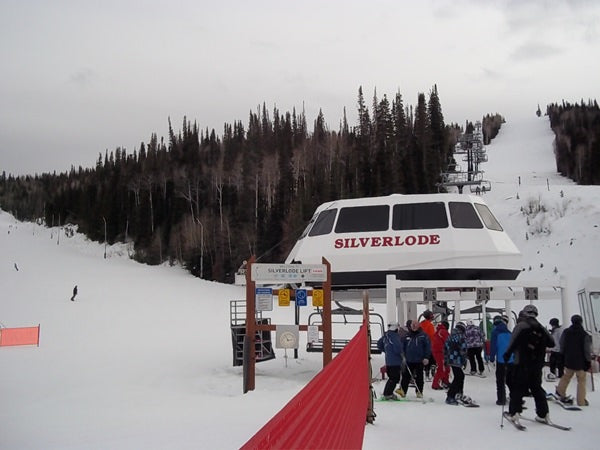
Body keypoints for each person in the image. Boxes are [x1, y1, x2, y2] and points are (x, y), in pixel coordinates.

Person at [503, 304, 554, 425]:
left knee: (518, 388)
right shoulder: (541, 328)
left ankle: (514, 413)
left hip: (521, 363)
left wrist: (507, 355)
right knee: (537, 388)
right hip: (537, 365)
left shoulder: (521, 326)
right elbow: (552, 343)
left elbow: (512, 342)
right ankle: (543, 413)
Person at [555, 314, 592, 406]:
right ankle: (581, 401)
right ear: (581, 322)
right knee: (581, 381)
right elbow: (587, 350)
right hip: (581, 362)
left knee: (566, 376)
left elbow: (561, 344)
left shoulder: (566, 332)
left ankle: (560, 392)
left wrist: (561, 356)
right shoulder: (584, 334)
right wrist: (588, 361)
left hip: (569, 360)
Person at [396, 320, 431, 399]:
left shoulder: (423, 336)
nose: (414, 326)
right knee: (406, 376)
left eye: (415, 324)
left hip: (419, 360)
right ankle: (403, 391)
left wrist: (426, 357)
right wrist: (402, 355)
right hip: (409, 360)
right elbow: (402, 346)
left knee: (419, 377)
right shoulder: (407, 336)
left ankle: (419, 391)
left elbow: (428, 347)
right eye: (412, 325)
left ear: (418, 325)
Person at [489, 315, 514, 405]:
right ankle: (515, 398)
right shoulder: (509, 333)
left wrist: (491, 357)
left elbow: (493, 346)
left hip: (501, 360)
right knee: (510, 380)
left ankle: (501, 399)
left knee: (500, 380)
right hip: (511, 359)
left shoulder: (495, 332)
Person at [377, 322, 405, 400]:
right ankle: (388, 393)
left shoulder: (386, 336)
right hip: (395, 361)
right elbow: (398, 348)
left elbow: (379, 344)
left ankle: (387, 392)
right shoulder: (394, 336)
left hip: (389, 360)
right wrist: (401, 353)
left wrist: (386, 350)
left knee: (391, 377)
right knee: (395, 378)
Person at [444, 321, 468, 405]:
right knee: (459, 377)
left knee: (460, 376)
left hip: (450, 359)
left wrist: (446, 359)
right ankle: (451, 395)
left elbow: (445, 348)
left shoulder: (450, 336)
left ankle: (458, 392)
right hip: (457, 359)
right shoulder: (462, 337)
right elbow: (463, 350)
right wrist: (464, 360)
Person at [431, 320, 450, 390]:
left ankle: (445, 381)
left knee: (445, 367)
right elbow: (448, 341)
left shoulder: (438, 331)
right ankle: (436, 384)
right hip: (440, 352)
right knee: (442, 368)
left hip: (438, 351)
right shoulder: (443, 331)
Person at [420, 310, 436, 380]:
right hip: (430, 346)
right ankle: (432, 373)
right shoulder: (430, 325)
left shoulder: (421, 324)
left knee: (425, 360)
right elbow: (432, 336)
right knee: (432, 361)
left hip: (422, 346)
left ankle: (426, 373)